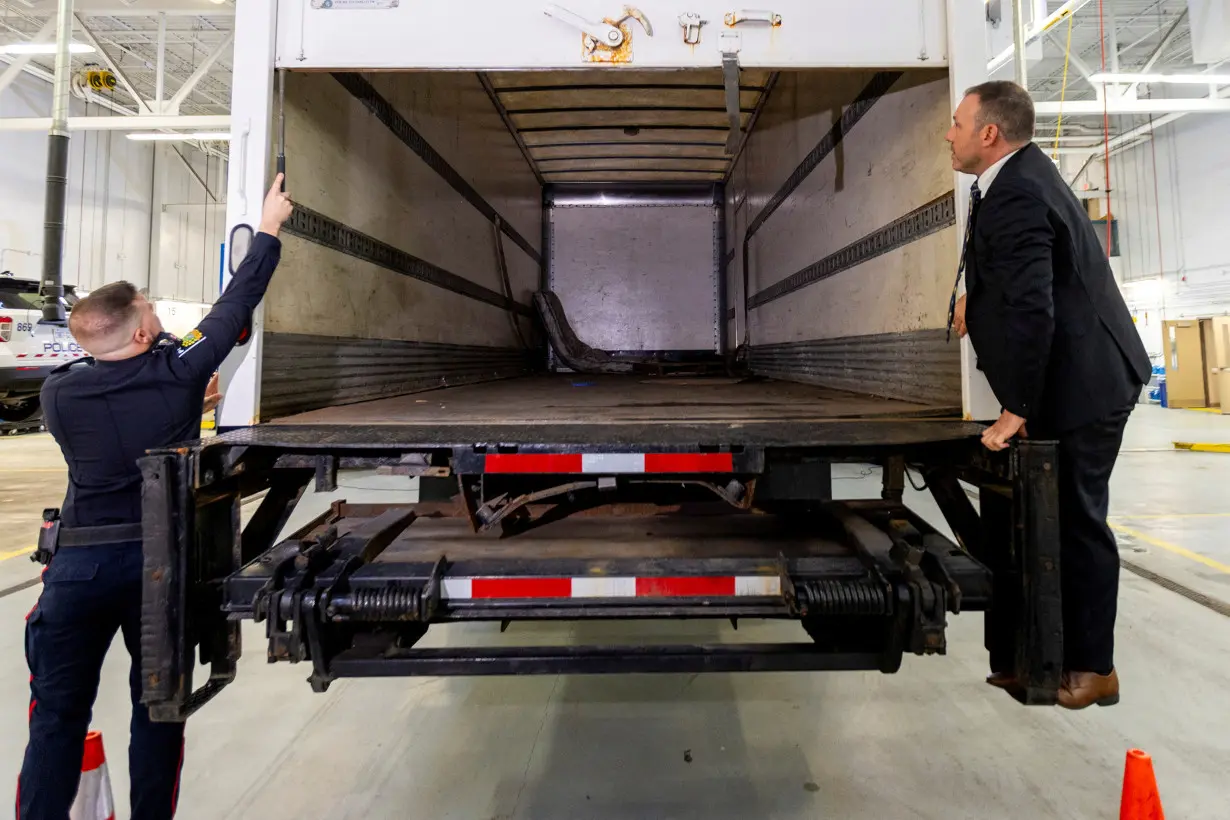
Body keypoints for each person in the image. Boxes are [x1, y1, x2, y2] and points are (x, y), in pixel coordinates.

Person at [18, 174, 293, 819]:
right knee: (158, 706)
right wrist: (269, 226)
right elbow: (235, 305)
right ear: (141, 332)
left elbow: (121, 389)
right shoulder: (178, 370)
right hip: (155, 567)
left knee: (55, 719)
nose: (160, 319)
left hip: (77, 570)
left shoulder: (59, 393)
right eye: (152, 313)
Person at [944, 82, 1150, 710]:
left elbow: (1037, 307)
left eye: (956, 124)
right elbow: (1029, 275)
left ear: (988, 134)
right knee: (1040, 524)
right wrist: (975, 298)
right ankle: (1036, 660)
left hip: (1085, 388)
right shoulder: (1017, 180)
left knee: (1080, 522)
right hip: (1068, 382)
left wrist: (1018, 409)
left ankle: (1096, 668)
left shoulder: (1018, 191)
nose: (947, 135)